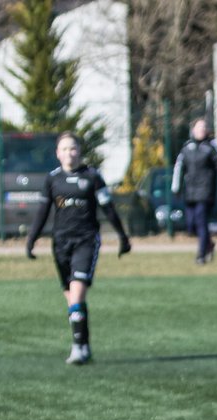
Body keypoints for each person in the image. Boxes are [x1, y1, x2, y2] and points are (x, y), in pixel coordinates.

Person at [25, 132, 132, 366]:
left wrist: (123, 237)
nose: (68, 153)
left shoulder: (92, 177)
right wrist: (31, 239)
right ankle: (85, 346)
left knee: (76, 295)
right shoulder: (52, 179)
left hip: (86, 241)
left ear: (79, 151)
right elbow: (42, 212)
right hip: (61, 243)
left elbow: (109, 209)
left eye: (72, 148)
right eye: (64, 149)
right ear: (57, 153)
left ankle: (77, 349)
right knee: (72, 301)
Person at [171, 118, 217, 265]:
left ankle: (201, 256)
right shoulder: (186, 147)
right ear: (193, 129)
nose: (202, 130)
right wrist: (176, 188)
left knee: (201, 222)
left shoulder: (212, 147)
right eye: (199, 127)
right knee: (191, 226)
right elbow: (179, 168)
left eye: (204, 127)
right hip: (190, 192)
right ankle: (209, 244)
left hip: (206, 192)